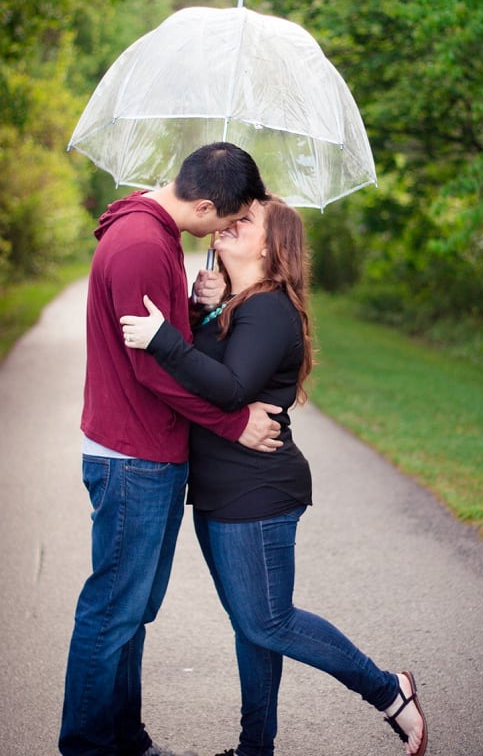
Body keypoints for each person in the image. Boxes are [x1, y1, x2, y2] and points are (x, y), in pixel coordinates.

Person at [120, 194, 428, 756]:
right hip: (224, 490)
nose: (231, 223)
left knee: (268, 621)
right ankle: (254, 749)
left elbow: (232, 390)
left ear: (273, 243)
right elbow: (211, 366)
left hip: (256, 491)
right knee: (252, 625)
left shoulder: (269, 309)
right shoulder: (242, 304)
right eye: (230, 215)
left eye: (247, 219)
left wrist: (163, 336)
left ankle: (390, 692)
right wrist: (200, 308)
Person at [60, 143, 284, 756]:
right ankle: (85, 745)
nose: (229, 231)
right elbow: (153, 373)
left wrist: (194, 306)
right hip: (133, 456)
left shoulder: (154, 236)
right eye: (229, 220)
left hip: (149, 453)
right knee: (112, 612)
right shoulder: (140, 244)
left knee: (131, 613)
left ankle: (124, 737)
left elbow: (163, 342)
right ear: (205, 204)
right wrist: (233, 421)